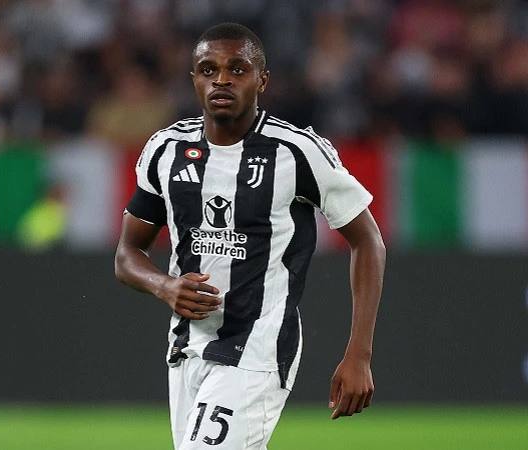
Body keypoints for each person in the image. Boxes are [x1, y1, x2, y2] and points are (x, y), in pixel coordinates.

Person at [114, 22, 386, 449]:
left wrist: (360, 354)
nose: (221, 79)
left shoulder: (297, 152)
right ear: (193, 79)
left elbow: (368, 240)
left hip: (257, 350)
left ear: (262, 80)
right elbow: (127, 253)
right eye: (208, 69)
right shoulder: (166, 149)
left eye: (237, 69)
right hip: (186, 348)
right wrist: (163, 285)